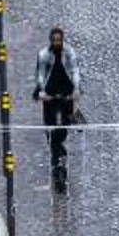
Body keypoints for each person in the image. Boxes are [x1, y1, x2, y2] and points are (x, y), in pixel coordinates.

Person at [33, 27, 81, 192]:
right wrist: (41, 92)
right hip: (51, 95)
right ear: (50, 41)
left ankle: (59, 153)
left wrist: (76, 90)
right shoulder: (44, 55)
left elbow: (74, 71)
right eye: (54, 40)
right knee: (50, 128)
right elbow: (40, 75)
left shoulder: (70, 53)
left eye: (59, 40)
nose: (56, 43)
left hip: (66, 93)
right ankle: (57, 156)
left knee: (64, 127)